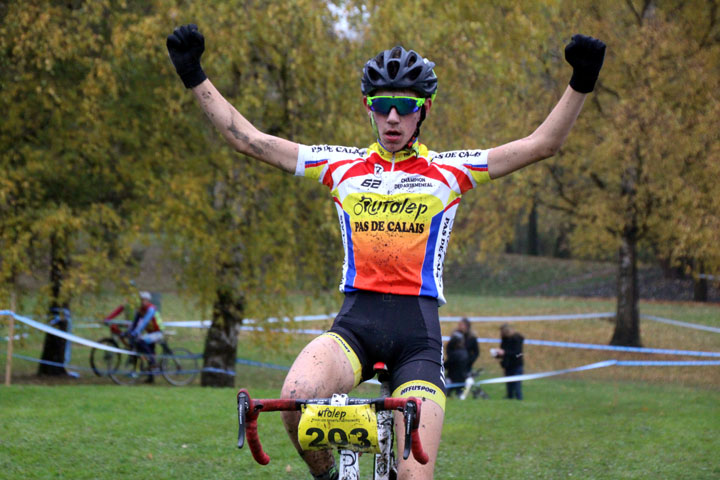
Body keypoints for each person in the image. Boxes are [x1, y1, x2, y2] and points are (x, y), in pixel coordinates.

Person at [166, 23, 605, 480]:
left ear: (424, 111)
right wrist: (193, 74)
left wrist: (581, 81)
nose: (392, 118)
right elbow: (249, 140)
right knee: (295, 396)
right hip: (356, 326)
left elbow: (543, 145)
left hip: (418, 336)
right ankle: (329, 477)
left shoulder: (450, 171)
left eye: (405, 107)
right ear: (368, 109)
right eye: (382, 107)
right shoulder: (341, 165)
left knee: (416, 475)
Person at [105, 291, 164, 383]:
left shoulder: (151, 309)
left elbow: (144, 322)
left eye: (145, 300)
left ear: (148, 300)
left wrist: (136, 332)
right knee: (147, 350)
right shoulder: (141, 310)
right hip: (150, 333)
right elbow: (134, 324)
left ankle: (153, 363)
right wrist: (128, 332)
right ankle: (150, 377)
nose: (143, 301)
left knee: (141, 341)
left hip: (158, 332)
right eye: (142, 300)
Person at [444, 317, 479, 397]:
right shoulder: (455, 335)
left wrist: (469, 362)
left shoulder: (472, 338)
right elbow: (449, 347)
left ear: (467, 326)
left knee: (462, 381)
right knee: (452, 379)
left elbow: (476, 352)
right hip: (454, 363)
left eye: (461, 325)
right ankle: (450, 393)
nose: (459, 326)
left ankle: (460, 394)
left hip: (465, 364)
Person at [494, 323, 525, 400]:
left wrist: (504, 352)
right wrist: (497, 354)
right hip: (508, 365)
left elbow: (518, 353)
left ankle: (519, 399)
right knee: (509, 384)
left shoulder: (517, 339)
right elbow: (504, 351)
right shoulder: (504, 339)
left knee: (517, 385)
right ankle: (509, 397)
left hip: (517, 365)